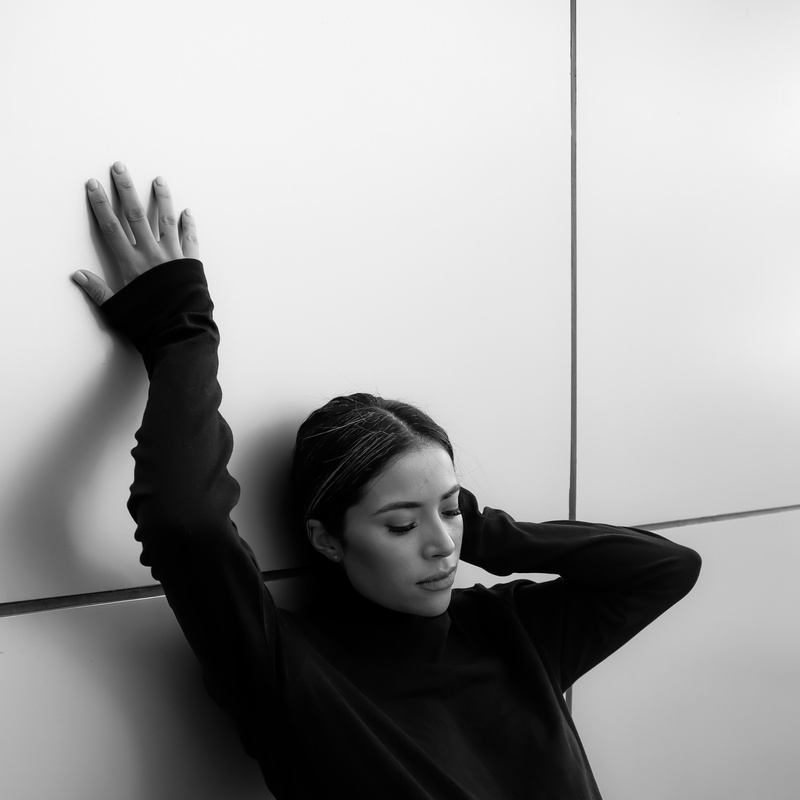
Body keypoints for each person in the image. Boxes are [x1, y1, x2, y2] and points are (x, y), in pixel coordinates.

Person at [73, 163, 701, 799]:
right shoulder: (287, 671)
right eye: (401, 523)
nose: (442, 546)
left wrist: (474, 528)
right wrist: (181, 330)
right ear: (326, 539)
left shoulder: (512, 633)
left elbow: (665, 569)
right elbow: (186, 522)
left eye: (453, 512)